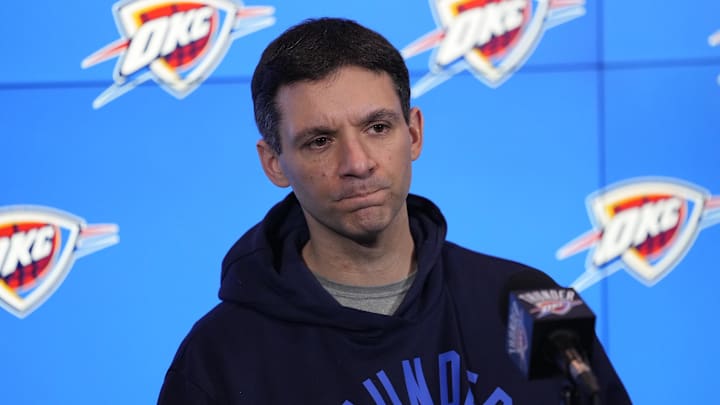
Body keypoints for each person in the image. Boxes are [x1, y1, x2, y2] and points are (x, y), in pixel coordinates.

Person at [158, 17, 630, 404]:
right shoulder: (221, 360)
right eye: (320, 141)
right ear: (273, 163)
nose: (357, 163)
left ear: (415, 133)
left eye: (378, 127)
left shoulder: (530, 306)